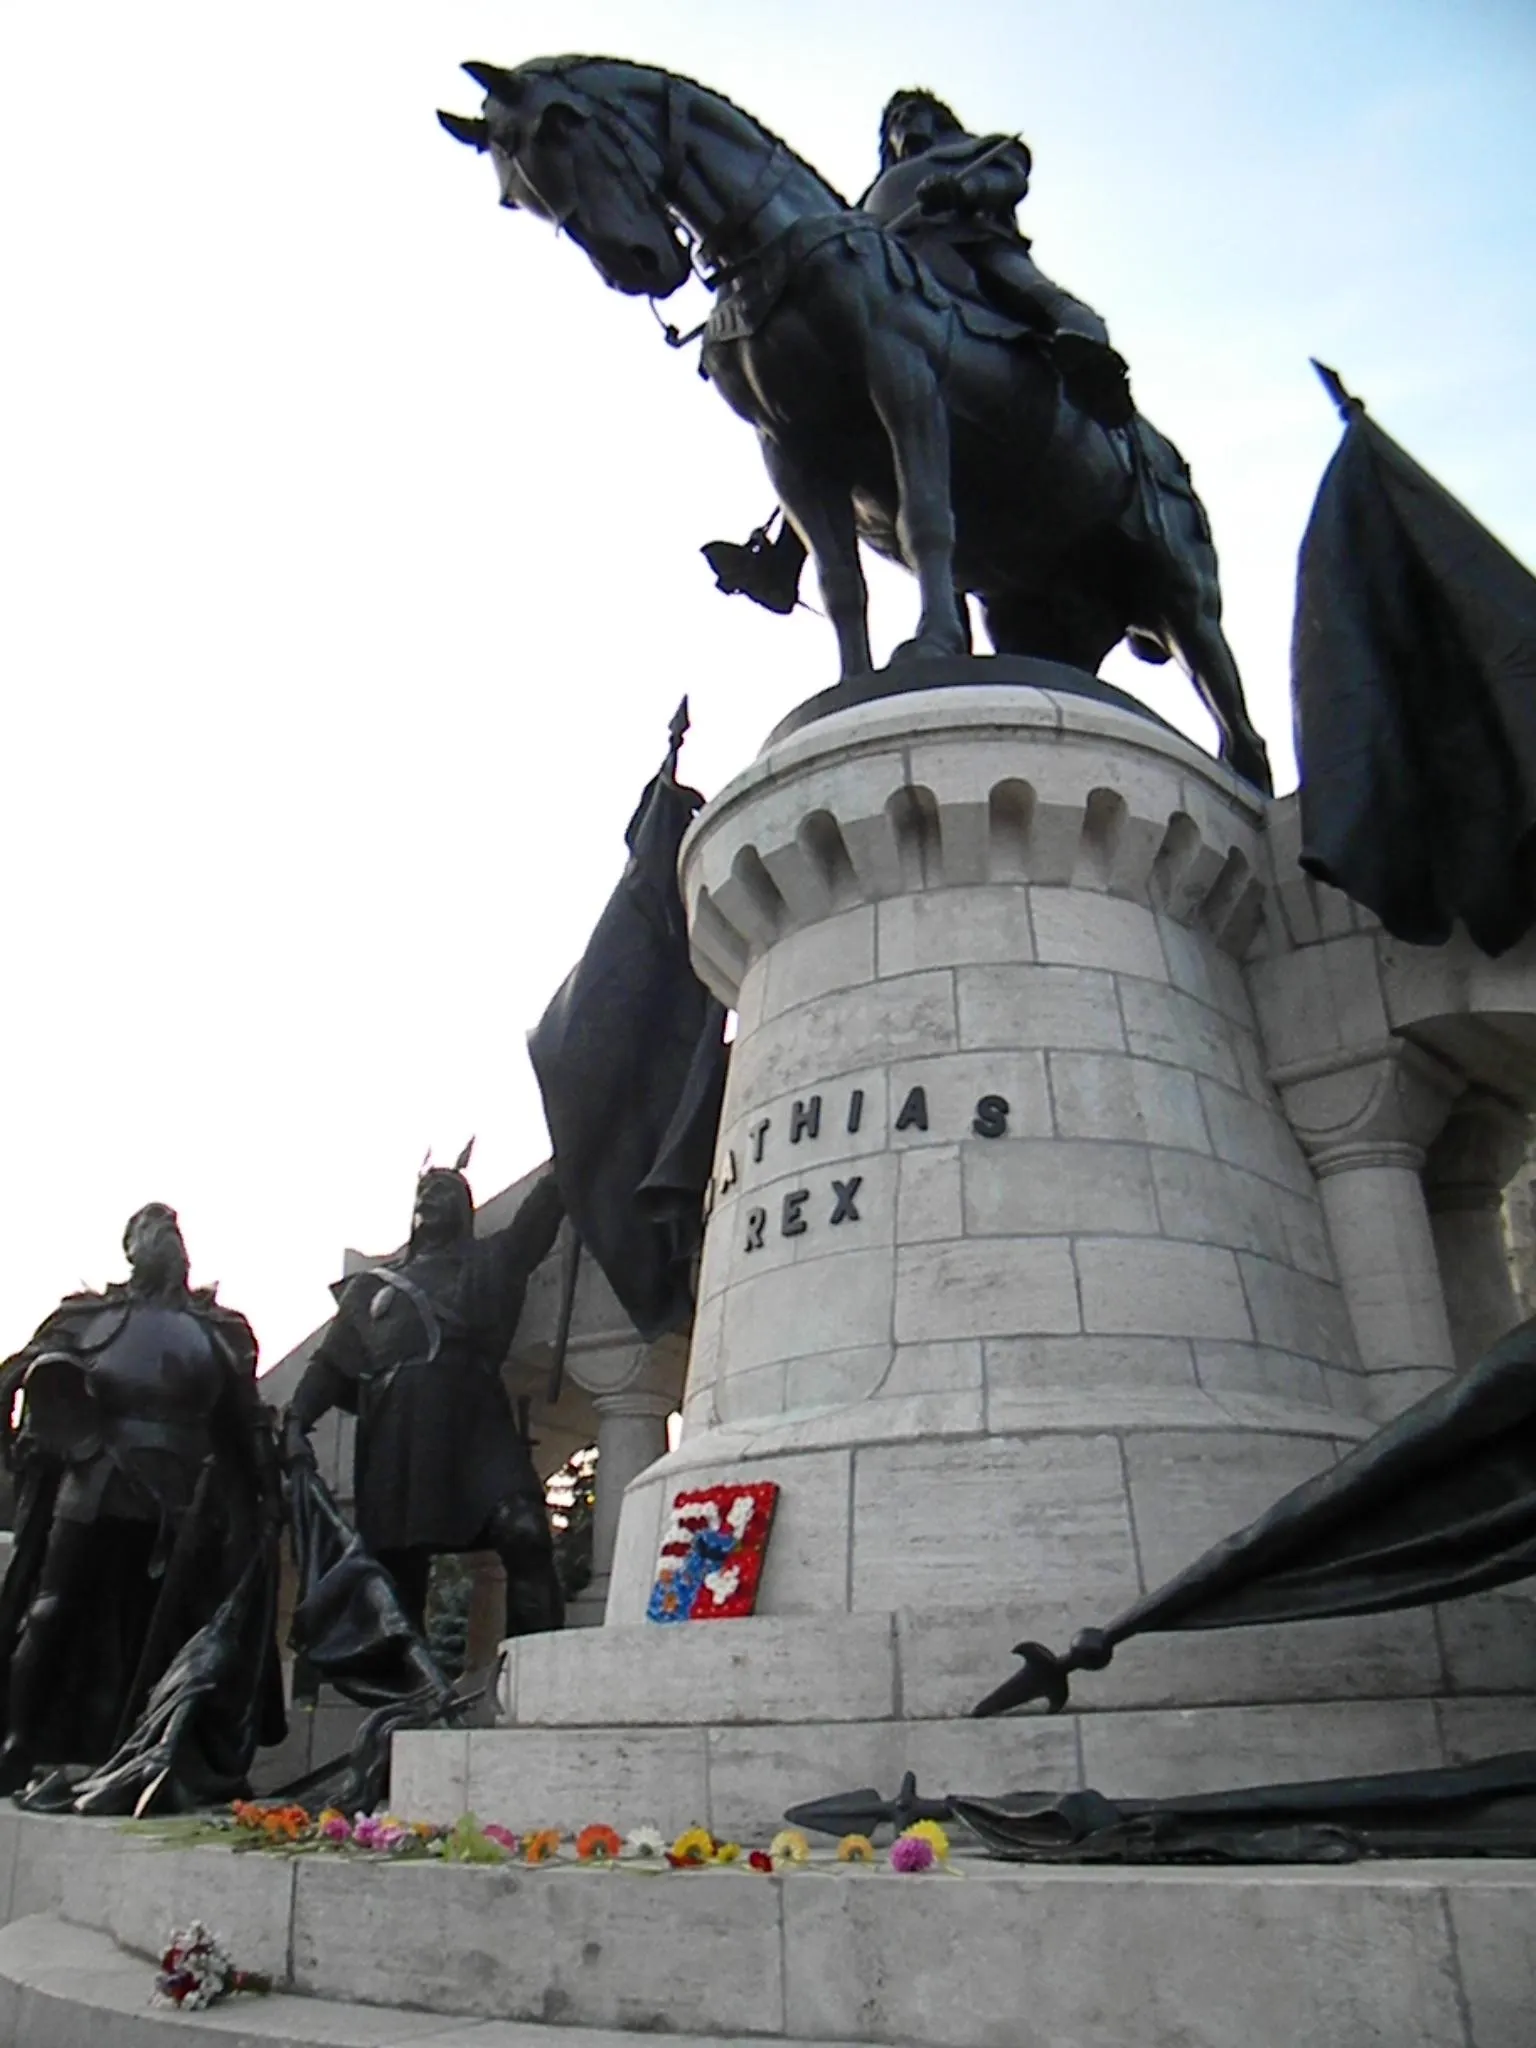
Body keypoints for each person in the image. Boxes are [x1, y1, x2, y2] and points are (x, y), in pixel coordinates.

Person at [0, 1203, 282, 1798]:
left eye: (170, 1230)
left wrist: (271, 1478)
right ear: (129, 1248)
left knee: (183, 1621)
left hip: (186, 1491)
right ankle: (17, 1741)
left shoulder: (219, 1330)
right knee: (52, 1610)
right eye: (148, 1230)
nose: (162, 1238)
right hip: (97, 1478)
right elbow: (20, 1382)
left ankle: (169, 1749)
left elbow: (245, 1419)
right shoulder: (84, 1319)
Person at [283, 1149, 566, 1643]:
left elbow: (539, 1217)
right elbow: (330, 1363)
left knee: (523, 1530)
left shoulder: (491, 1260)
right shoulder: (370, 1287)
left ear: (466, 1208)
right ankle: (402, 1687)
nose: (432, 1195)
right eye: (425, 1189)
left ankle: (535, 1673)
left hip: (475, 1422)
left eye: (446, 1188)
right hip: (398, 1429)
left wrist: (568, 1156)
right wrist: (295, 1422)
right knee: (395, 1579)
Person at [863, 88, 1134, 429]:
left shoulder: (973, 149)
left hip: (973, 243)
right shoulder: (875, 190)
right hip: (904, 260)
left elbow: (1008, 179)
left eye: (912, 111)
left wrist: (962, 191)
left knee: (1031, 290)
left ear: (936, 117)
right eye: (895, 120)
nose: (904, 121)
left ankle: (1089, 349)